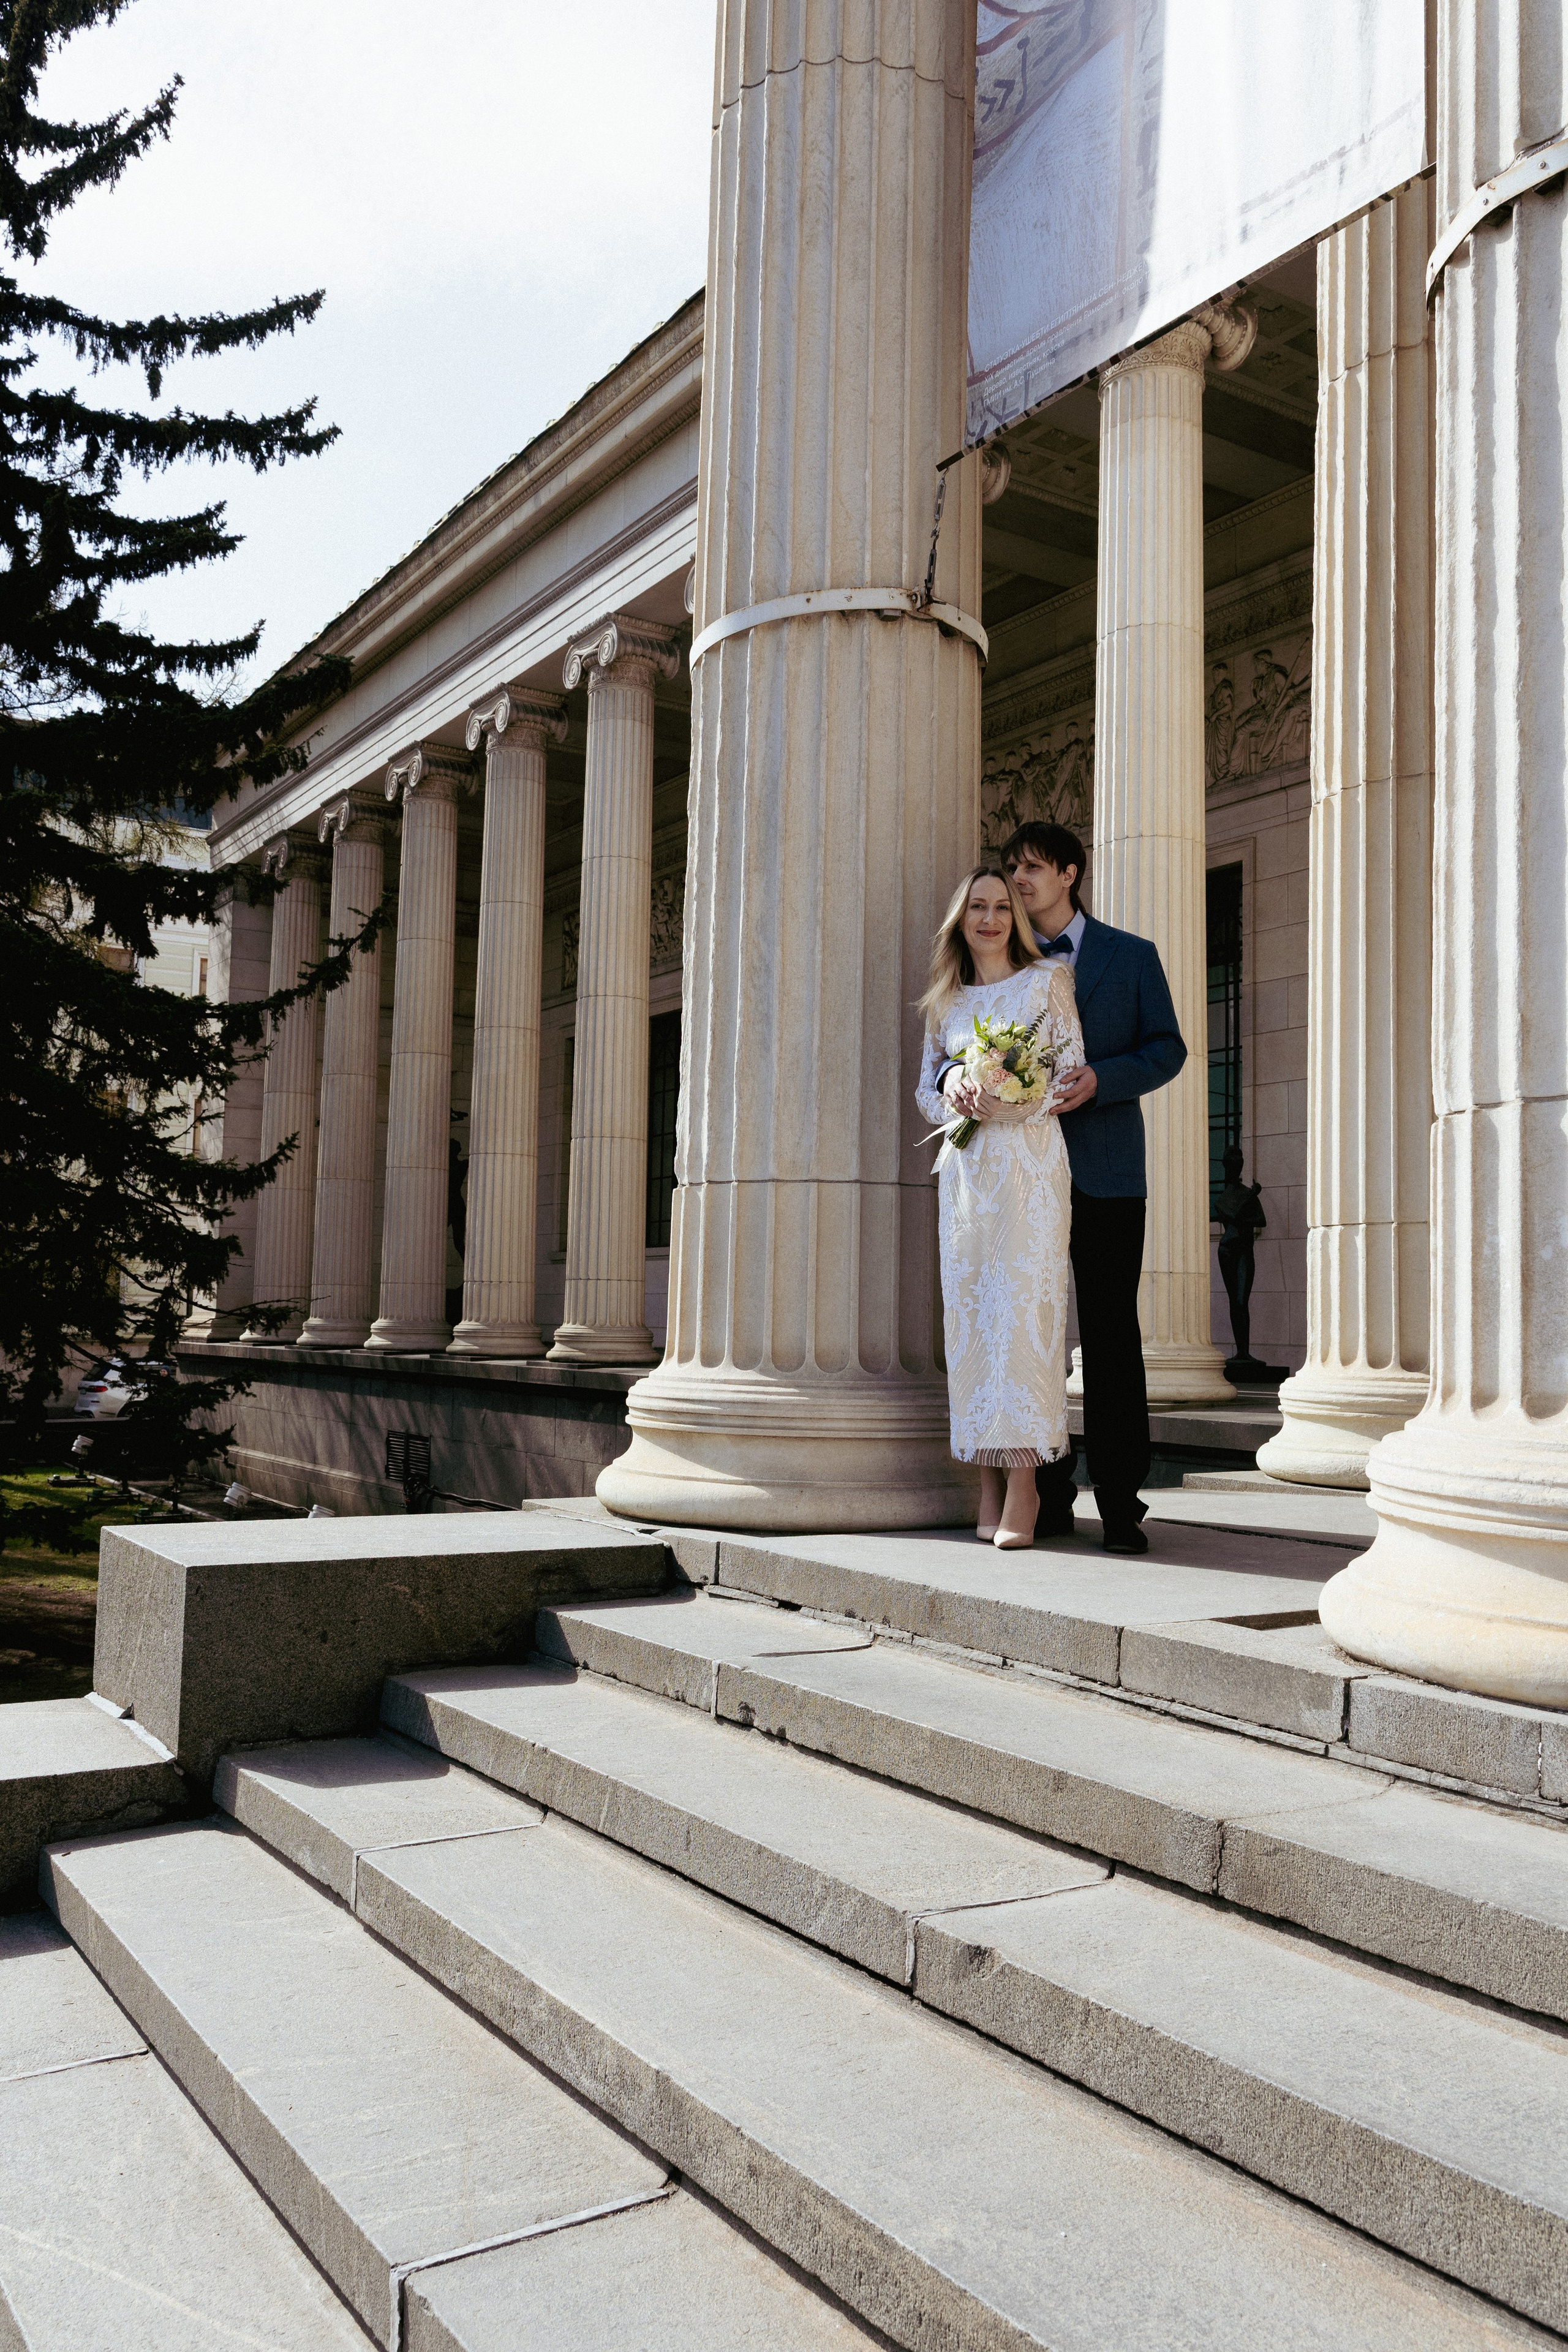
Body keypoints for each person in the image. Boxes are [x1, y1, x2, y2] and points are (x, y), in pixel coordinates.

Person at [939, 821, 1186, 1554]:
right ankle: (1041, 1493)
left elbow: (1167, 1048)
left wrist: (1104, 1079)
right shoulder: (998, 962)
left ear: (1070, 874)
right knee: (1018, 1331)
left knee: (1109, 1336)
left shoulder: (1128, 956)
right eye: (1011, 868)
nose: (1018, 880)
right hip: (1012, 1181)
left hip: (1105, 1172)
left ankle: (1119, 1503)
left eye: (1033, 868)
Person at [916, 865, 1085, 1548]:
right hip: (966, 1177)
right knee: (972, 1321)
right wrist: (957, 1081)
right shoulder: (945, 1001)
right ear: (960, 920)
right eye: (976, 907)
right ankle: (984, 1478)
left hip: (1031, 1168)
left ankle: (1024, 1482)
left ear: (1016, 917)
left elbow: (1069, 1071)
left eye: (1000, 906)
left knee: (1023, 1314)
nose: (988, 918)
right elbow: (926, 1092)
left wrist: (1012, 1099)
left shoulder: (1047, 982)